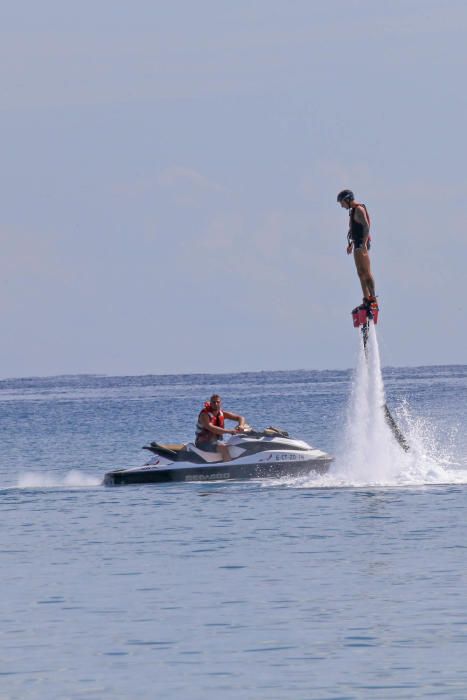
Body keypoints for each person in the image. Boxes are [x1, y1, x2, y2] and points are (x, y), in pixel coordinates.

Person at [337, 189, 378, 314]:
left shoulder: (359, 209)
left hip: (362, 244)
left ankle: (373, 300)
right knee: (360, 272)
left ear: (348, 199)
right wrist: (350, 244)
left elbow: (366, 226)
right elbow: (353, 229)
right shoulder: (352, 211)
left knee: (366, 271)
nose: (341, 205)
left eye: (342, 202)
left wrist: (365, 242)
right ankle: (366, 300)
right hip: (357, 244)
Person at [195, 394, 246, 462]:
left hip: (216, 441)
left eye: (217, 402)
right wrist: (229, 431)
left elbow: (240, 417)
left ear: (220, 403)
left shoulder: (222, 413)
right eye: (213, 402)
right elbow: (211, 428)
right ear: (210, 403)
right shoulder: (204, 415)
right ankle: (229, 469)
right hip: (203, 443)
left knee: (234, 445)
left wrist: (241, 425)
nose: (216, 404)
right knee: (223, 449)